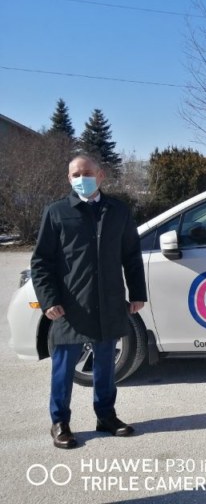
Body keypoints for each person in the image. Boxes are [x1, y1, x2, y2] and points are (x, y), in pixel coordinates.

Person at [31, 154, 147, 449]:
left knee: (105, 366)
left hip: (108, 302)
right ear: (69, 179)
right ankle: (60, 422)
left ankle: (106, 416)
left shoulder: (118, 211)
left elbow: (131, 255)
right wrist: (49, 300)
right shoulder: (57, 212)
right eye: (74, 174)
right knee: (63, 368)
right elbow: (41, 262)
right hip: (70, 306)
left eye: (86, 172)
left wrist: (137, 293)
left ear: (101, 175)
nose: (81, 178)